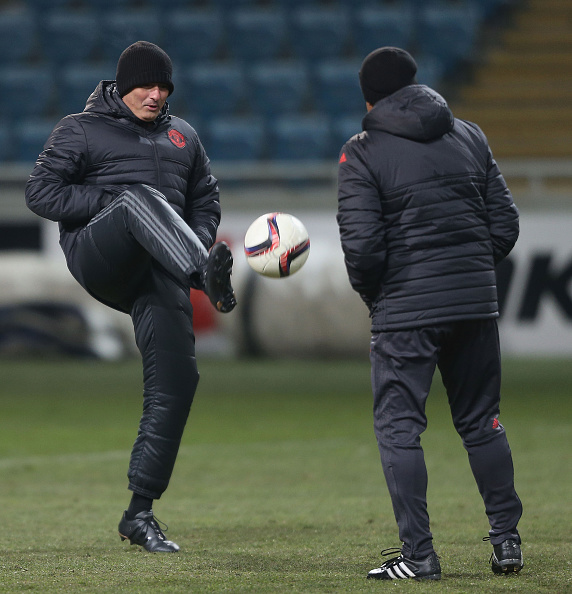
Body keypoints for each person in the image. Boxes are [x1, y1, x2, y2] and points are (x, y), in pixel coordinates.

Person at [25, 41, 237, 553]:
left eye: (164, 87)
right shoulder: (80, 128)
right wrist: (108, 200)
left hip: (161, 265)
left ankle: (138, 514)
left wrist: (198, 236)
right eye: (146, 85)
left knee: (178, 380)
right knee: (139, 198)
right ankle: (203, 275)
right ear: (121, 85)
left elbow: (206, 200)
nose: (156, 95)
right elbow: (40, 192)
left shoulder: (184, 135)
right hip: (100, 251)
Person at [336, 47, 523, 580]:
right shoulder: (469, 135)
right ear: (417, 85)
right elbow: (505, 226)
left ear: (369, 97)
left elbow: (364, 249)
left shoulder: (362, 152)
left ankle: (419, 557)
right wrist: (463, 273)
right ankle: (507, 542)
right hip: (474, 305)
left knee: (399, 429)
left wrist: (382, 297)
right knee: (482, 422)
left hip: (405, 312)